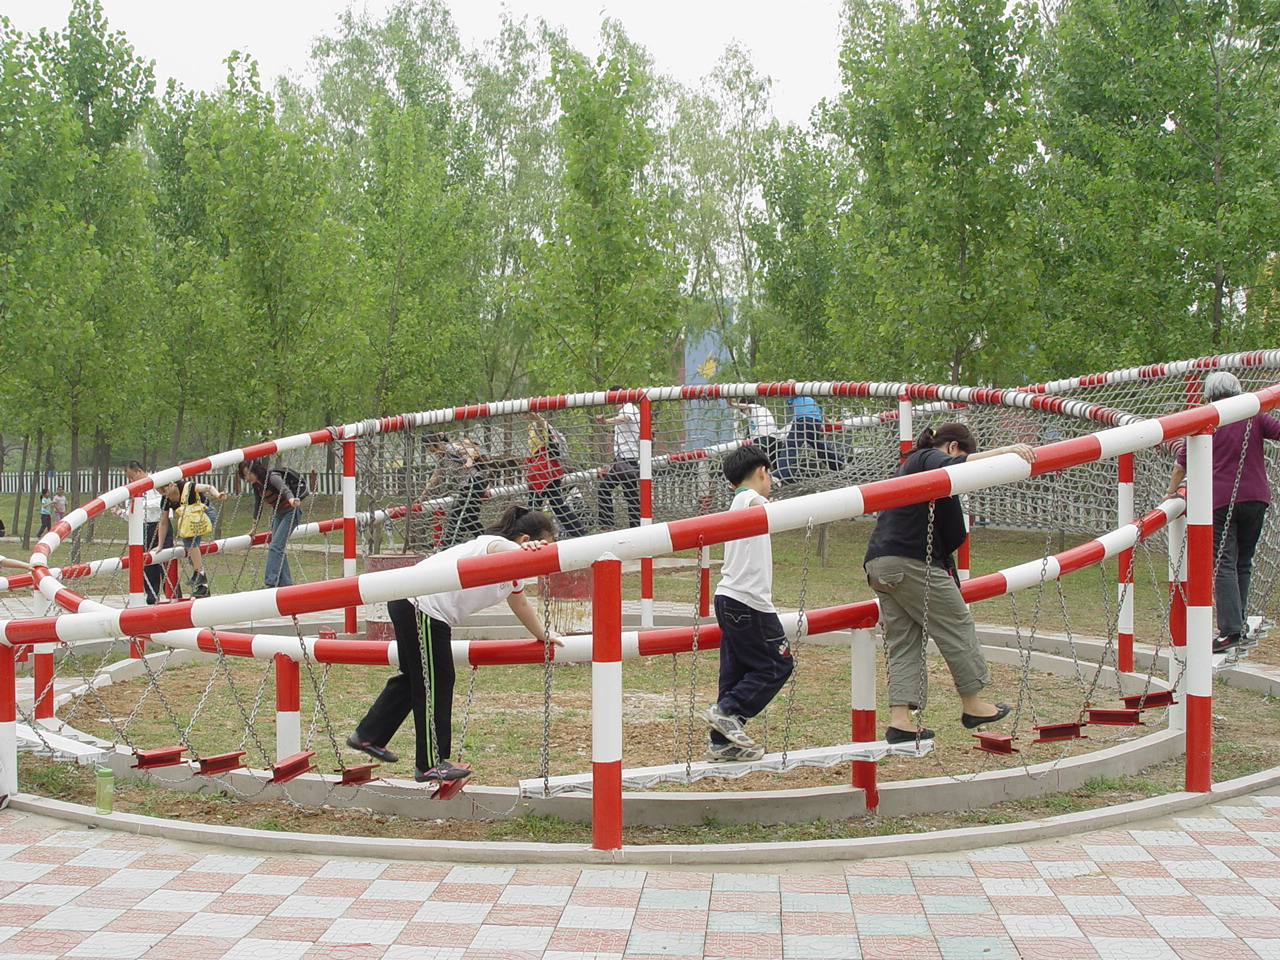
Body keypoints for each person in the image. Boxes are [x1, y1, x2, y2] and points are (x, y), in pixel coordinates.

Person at [348, 505, 562, 781]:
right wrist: (525, 552)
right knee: (436, 682)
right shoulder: (493, 544)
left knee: (416, 677)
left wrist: (542, 634)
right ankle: (430, 763)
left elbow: (519, 602)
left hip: (419, 607)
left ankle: (367, 735)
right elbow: (501, 550)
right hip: (420, 605)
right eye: (544, 547)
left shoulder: (514, 573)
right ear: (525, 541)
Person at [863, 424, 1035, 743]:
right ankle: (972, 703)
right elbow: (950, 467)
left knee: (904, 641)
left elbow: (953, 533)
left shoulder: (913, 474)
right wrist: (1005, 452)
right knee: (956, 624)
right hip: (910, 561)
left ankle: (900, 720)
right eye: (963, 455)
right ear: (954, 447)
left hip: (881, 564)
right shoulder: (925, 458)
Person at [1166, 371, 1280, 654]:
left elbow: (1183, 464)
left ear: (1210, 393)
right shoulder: (1253, 413)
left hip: (1219, 501)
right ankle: (1238, 622)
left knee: (1224, 562)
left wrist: (1171, 492)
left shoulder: (1205, 417)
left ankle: (1229, 630)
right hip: (1256, 498)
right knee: (1244, 560)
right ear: (1238, 389)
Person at [703, 445, 793, 762]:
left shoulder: (738, 501)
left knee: (735, 673)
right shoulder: (746, 498)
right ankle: (728, 711)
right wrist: (774, 506)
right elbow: (755, 500)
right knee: (777, 664)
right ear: (762, 473)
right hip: (748, 602)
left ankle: (721, 741)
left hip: (729, 598)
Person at [154, 479, 227, 599]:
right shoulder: (165, 499)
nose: (163, 492)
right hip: (190, 522)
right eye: (160, 491)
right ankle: (203, 585)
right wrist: (160, 545)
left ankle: (199, 574)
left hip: (205, 514)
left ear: (172, 485)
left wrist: (217, 494)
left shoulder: (186, 486)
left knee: (189, 540)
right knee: (191, 552)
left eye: (164, 489)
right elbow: (163, 522)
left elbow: (207, 487)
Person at [238, 460, 305, 588]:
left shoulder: (272, 477)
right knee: (276, 546)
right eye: (244, 475)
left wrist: (292, 499)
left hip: (291, 511)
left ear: (255, 470)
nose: (248, 477)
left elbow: (284, 489)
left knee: (276, 546)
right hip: (279, 513)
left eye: (248, 473)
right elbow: (258, 505)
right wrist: (254, 527)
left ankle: (270, 582)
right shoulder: (257, 486)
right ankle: (286, 583)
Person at [419, 432, 489, 548]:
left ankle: (448, 547)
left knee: (458, 516)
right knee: (470, 518)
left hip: (473, 482)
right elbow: (434, 477)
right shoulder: (441, 458)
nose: (427, 449)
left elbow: (470, 450)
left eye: (426, 447)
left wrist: (469, 462)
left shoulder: (449, 448)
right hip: (465, 487)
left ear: (431, 445)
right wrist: (422, 496)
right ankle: (488, 540)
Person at [523, 410, 586, 539]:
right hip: (542, 469)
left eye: (525, 413)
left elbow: (542, 425)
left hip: (544, 470)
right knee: (556, 505)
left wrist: (535, 415)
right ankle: (578, 532)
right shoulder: (532, 426)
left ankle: (534, 536)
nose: (523, 416)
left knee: (535, 506)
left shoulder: (540, 423)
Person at [773, 384, 844, 484]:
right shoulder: (810, 400)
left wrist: (789, 385)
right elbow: (822, 414)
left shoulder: (794, 398)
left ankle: (778, 477)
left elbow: (790, 389)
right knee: (817, 443)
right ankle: (838, 463)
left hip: (802, 420)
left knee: (790, 447)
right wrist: (829, 422)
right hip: (815, 422)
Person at [124, 461, 173, 604]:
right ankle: (151, 597)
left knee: (165, 563)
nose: (131, 481)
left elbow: (163, 501)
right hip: (143, 527)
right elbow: (130, 513)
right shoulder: (132, 490)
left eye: (132, 476)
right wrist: (121, 512)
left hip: (161, 525)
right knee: (147, 564)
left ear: (139, 471)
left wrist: (142, 504)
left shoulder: (157, 482)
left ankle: (173, 595)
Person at [595, 387, 641, 530]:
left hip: (627, 460)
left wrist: (606, 421)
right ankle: (636, 527)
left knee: (604, 488)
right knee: (631, 496)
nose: (612, 404)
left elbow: (625, 418)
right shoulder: (629, 409)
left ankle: (607, 524)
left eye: (614, 400)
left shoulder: (629, 408)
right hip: (625, 459)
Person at [726, 397, 784, 465]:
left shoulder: (754, 407)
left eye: (742, 411)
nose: (744, 414)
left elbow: (747, 406)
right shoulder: (763, 411)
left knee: (752, 460)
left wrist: (731, 403)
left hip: (763, 437)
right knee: (775, 464)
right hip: (776, 439)